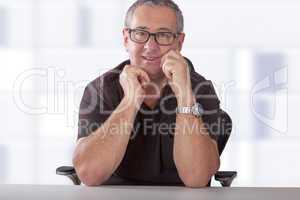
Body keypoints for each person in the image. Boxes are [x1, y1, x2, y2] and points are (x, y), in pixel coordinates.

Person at [72, 0, 222, 188]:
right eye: (141, 34)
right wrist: (130, 101)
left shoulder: (201, 90)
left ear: (179, 42)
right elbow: (89, 173)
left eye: (164, 35)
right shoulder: (100, 90)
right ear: (126, 38)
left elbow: (197, 178)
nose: (151, 46)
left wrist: (185, 94)